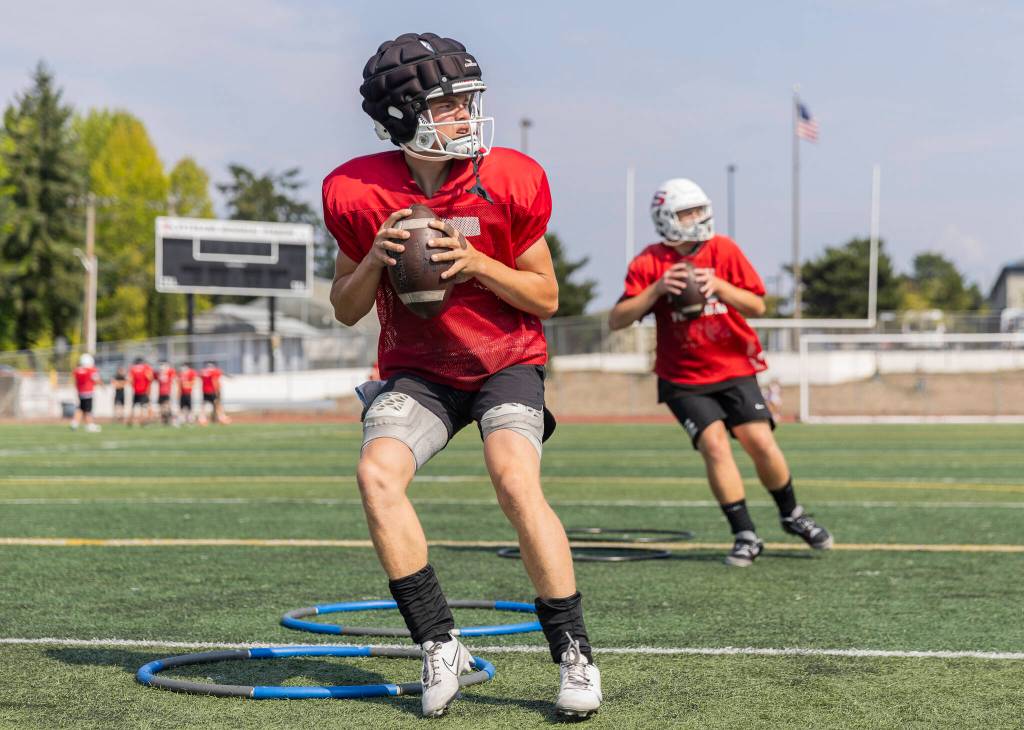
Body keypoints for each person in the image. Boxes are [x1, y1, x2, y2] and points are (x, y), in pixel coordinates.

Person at [323, 32, 601, 719]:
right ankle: (439, 642)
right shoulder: (356, 191)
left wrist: (476, 263)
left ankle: (573, 650)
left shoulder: (508, 177)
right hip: (419, 371)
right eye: (450, 105)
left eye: (468, 101)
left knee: (513, 475)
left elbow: (545, 296)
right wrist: (373, 261)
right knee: (375, 474)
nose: (467, 116)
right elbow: (344, 308)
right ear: (402, 115)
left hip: (504, 360)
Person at [609, 178, 832, 567]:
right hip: (683, 377)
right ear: (666, 219)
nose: (697, 218)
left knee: (760, 441)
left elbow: (758, 306)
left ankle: (792, 514)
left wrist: (720, 286)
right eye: (687, 212)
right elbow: (618, 318)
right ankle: (745, 533)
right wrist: (658, 289)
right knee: (714, 445)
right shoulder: (649, 262)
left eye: (699, 209)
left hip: (734, 367)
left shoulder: (723, 250)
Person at [71, 353, 102, 432]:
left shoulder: (77, 370)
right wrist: (100, 383)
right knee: (88, 410)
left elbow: (75, 381)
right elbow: (96, 380)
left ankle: (75, 423)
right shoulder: (91, 370)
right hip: (88, 392)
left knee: (81, 408)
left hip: (80, 392)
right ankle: (90, 425)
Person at [128, 357, 154, 427]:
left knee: (133, 407)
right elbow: (150, 378)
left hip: (136, 390)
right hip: (144, 390)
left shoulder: (132, 369)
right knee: (144, 406)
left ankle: (130, 421)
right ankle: (143, 421)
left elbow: (130, 380)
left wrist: (134, 386)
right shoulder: (146, 368)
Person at [156, 361, 177, 426]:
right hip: (160, 393)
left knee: (167, 407)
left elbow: (174, 377)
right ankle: (164, 421)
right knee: (161, 408)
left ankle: (172, 420)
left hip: (167, 392)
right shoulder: (158, 374)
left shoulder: (170, 372)